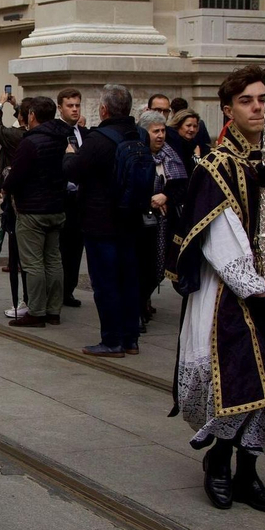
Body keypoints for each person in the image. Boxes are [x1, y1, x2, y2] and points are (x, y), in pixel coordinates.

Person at [169, 67, 265, 513]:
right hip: (230, 292)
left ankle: (249, 473)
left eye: (264, 99)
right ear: (228, 110)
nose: (258, 107)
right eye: (247, 101)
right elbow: (216, 232)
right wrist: (247, 283)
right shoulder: (215, 165)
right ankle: (218, 464)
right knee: (238, 383)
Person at [61, 84, 143, 357]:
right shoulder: (138, 134)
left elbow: (74, 171)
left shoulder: (98, 139)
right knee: (129, 280)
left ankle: (112, 340)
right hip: (131, 218)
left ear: (104, 109)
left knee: (106, 283)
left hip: (101, 220)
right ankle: (131, 338)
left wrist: (69, 154)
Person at [3, 98, 67, 327]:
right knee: (53, 260)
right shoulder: (62, 138)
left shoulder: (31, 142)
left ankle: (37, 311)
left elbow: (17, 175)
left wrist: (6, 184)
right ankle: (53, 310)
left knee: (33, 263)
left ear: (31, 115)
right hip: (56, 206)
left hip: (32, 208)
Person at [137, 110, 187, 325]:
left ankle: (145, 298)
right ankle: (139, 306)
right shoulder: (136, 154)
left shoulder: (170, 155)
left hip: (164, 224)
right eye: (155, 131)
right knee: (142, 267)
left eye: (163, 131)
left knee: (159, 267)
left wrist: (166, 196)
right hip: (141, 223)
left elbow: (181, 184)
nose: (160, 135)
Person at [53, 88, 89, 309]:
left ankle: (69, 289)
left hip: (80, 198)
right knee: (58, 247)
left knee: (75, 247)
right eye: (70, 106)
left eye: (77, 105)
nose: (74, 110)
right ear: (60, 108)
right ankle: (56, 291)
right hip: (60, 196)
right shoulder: (55, 132)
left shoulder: (84, 134)